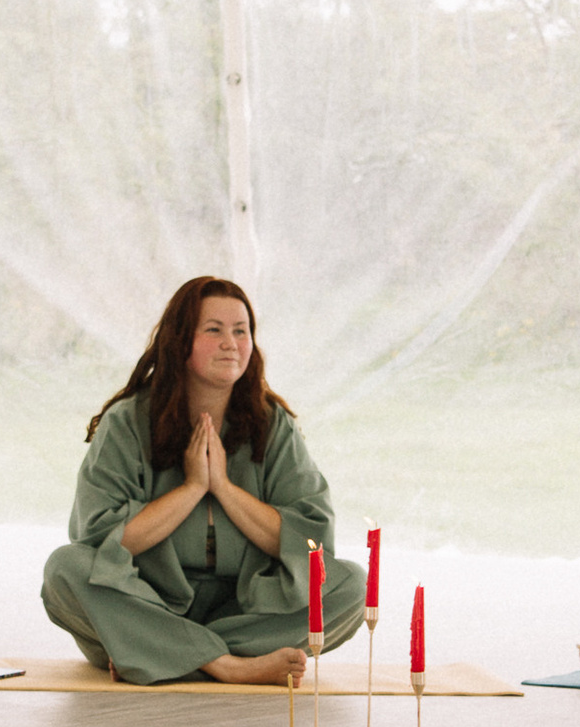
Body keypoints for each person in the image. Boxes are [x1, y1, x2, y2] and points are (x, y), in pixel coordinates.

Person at [41, 276, 366, 686]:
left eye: (241, 331)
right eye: (214, 330)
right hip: (146, 601)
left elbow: (313, 543)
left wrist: (225, 489)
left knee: (352, 586)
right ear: (181, 341)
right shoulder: (127, 422)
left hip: (245, 608)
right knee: (65, 570)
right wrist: (192, 488)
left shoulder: (272, 425)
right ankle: (227, 665)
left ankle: (158, 653)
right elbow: (102, 541)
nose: (231, 343)